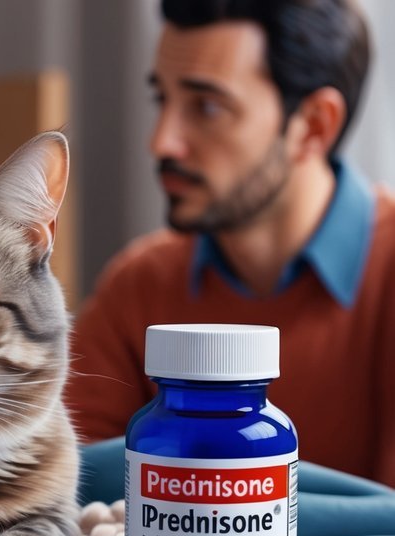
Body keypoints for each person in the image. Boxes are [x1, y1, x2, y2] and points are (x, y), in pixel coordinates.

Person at [66, 0, 395, 487]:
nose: (161, 142)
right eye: (163, 100)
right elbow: (63, 489)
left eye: (207, 106)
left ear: (313, 125)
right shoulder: (138, 285)